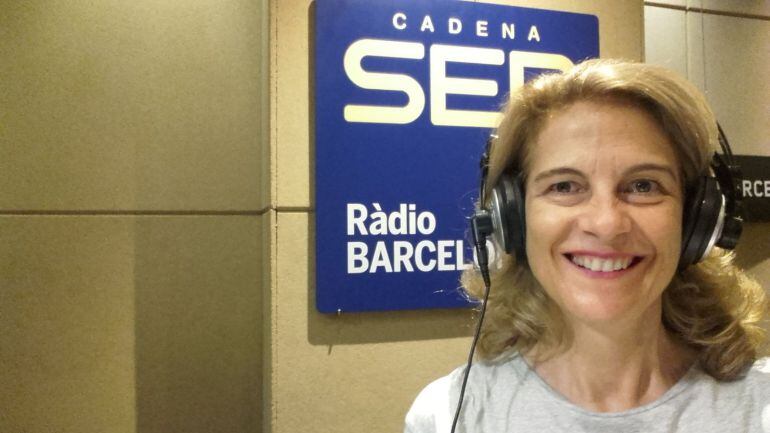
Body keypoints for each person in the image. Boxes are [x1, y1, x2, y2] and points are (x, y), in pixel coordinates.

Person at [404, 59, 770, 433]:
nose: (606, 224)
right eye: (564, 186)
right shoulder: (450, 416)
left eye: (643, 186)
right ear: (511, 217)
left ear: (695, 217)